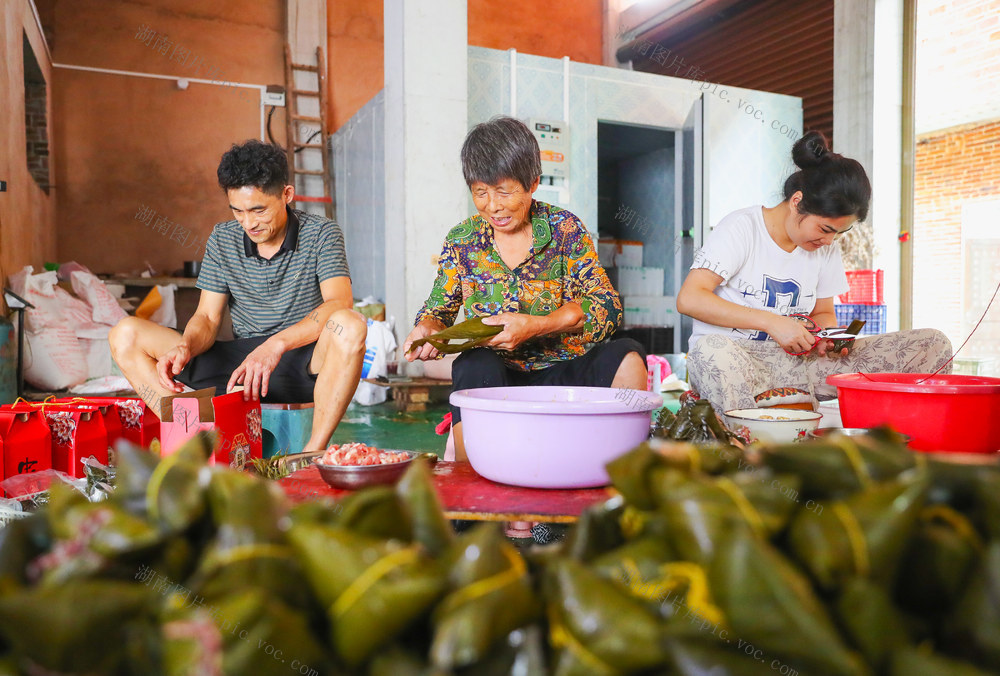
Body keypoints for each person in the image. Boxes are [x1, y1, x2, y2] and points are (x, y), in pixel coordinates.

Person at [403, 116, 648, 460]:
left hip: (562, 375)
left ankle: (613, 483)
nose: (493, 205)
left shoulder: (565, 230)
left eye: (504, 191)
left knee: (627, 356)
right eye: (480, 192)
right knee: (474, 364)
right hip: (496, 382)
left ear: (533, 183)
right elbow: (438, 310)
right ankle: (476, 493)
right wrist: (428, 327)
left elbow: (606, 305)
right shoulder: (462, 241)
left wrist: (539, 324)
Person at [109, 140, 366, 452]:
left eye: (258, 210)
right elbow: (207, 317)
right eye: (238, 211)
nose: (249, 223)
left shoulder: (322, 234)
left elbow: (338, 303)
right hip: (240, 368)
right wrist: (185, 345)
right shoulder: (223, 238)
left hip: (302, 361)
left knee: (350, 324)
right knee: (125, 334)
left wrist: (275, 346)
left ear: (286, 195)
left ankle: (311, 453)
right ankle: (192, 435)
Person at [676, 130, 952, 413]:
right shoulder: (742, 227)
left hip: (799, 363)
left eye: (839, 233)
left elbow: (823, 313)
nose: (829, 241)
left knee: (931, 344)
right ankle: (744, 448)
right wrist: (772, 322)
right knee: (713, 352)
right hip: (735, 359)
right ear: (797, 202)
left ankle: (902, 437)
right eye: (825, 229)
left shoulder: (825, 246)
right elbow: (690, 298)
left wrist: (825, 337)